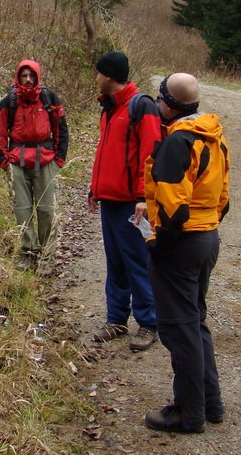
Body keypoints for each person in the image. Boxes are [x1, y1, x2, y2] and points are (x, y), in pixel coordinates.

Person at [142, 72, 230, 433]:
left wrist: (160, 243)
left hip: (181, 244)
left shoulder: (178, 141)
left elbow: (174, 206)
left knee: (179, 329)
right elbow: (223, 197)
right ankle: (210, 404)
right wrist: (204, 225)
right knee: (194, 323)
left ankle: (187, 413)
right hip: (207, 237)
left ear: (167, 103)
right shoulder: (213, 136)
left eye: (159, 98)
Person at [87, 51, 161, 352]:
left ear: (108, 76)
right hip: (110, 200)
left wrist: (144, 197)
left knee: (137, 263)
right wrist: (95, 188)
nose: (95, 78)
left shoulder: (141, 107)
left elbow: (151, 154)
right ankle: (116, 318)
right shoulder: (109, 109)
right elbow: (105, 152)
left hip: (133, 203)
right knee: (115, 261)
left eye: (98, 73)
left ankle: (149, 323)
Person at [0, 60, 69, 271]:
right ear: (18, 77)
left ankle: (47, 257)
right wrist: (4, 161)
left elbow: (61, 129)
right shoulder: (9, 101)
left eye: (31, 76)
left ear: (37, 77)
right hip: (17, 161)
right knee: (22, 210)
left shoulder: (49, 98)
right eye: (24, 75)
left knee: (47, 210)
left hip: (45, 161)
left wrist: (58, 159)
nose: (28, 79)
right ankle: (28, 253)